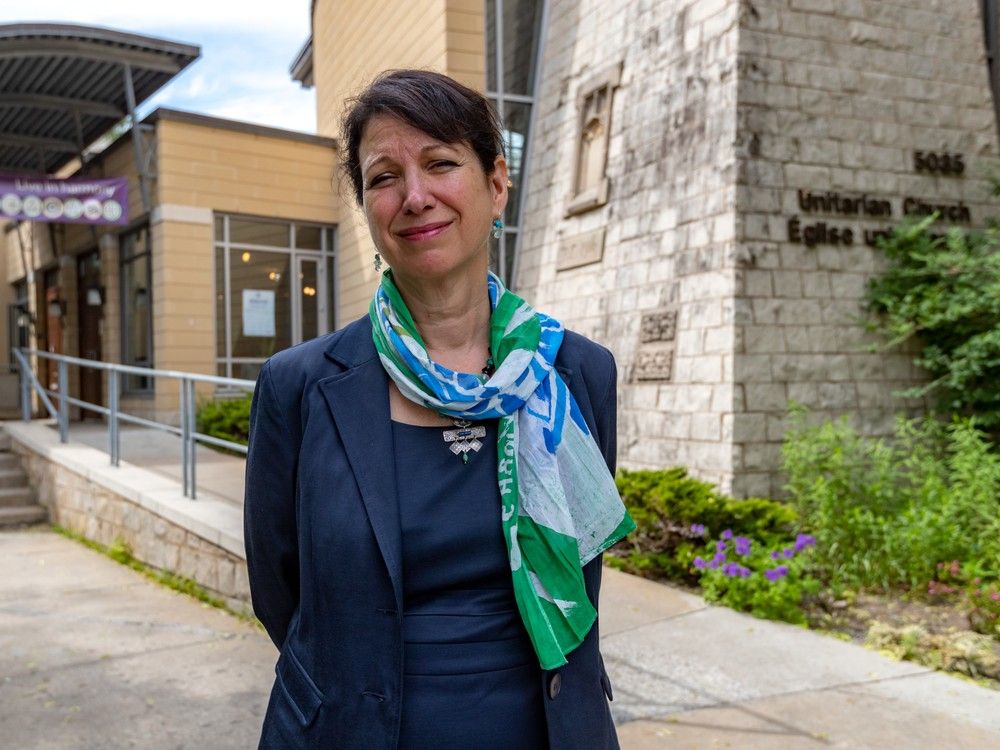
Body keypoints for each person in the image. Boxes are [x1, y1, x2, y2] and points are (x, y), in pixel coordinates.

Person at [244, 69, 634, 750]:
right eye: (385, 176)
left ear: (497, 185)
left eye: (441, 163)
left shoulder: (577, 372)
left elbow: (582, 567)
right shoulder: (299, 386)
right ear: (366, 207)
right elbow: (283, 595)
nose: (415, 197)